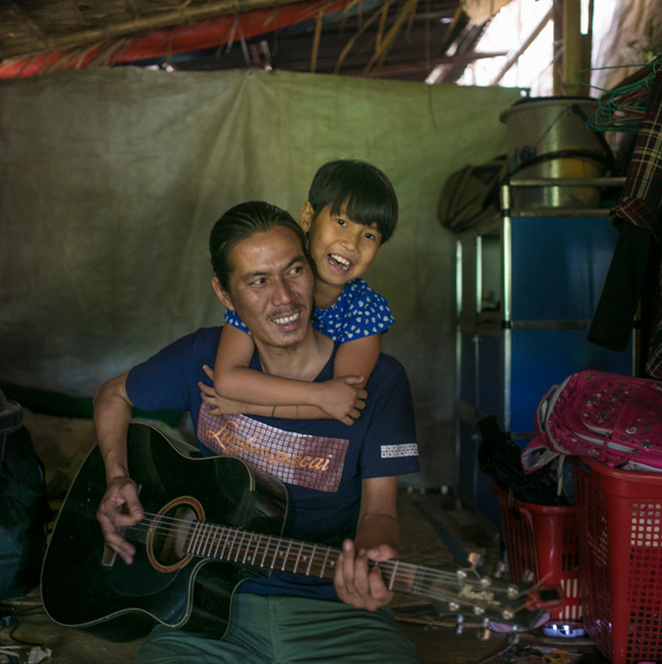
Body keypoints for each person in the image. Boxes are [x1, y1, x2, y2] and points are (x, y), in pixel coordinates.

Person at [93, 201, 421, 662]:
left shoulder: (379, 381)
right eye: (258, 280)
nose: (285, 298)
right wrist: (116, 477)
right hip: (202, 606)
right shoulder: (201, 357)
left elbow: (380, 513)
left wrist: (368, 560)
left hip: (335, 610)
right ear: (225, 295)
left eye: (294, 270)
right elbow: (112, 395)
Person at [205, 160, 398, 426]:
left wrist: (245, 405)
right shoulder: (264, 291)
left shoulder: (365, 309)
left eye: (369, 236)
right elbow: (228, 380)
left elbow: (344, 402)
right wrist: (318, 394)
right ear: (307, 217)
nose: (350, 244)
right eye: (341, 221)